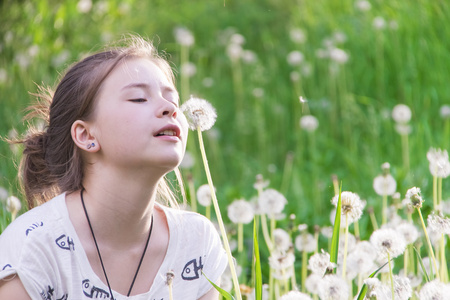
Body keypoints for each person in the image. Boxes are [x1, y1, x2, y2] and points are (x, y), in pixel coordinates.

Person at [0, 36, 227, 300]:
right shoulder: (35, 248)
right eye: (139, 99)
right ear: (86, 136)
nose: (170, 109)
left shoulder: (195, 243)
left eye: (173, 101)